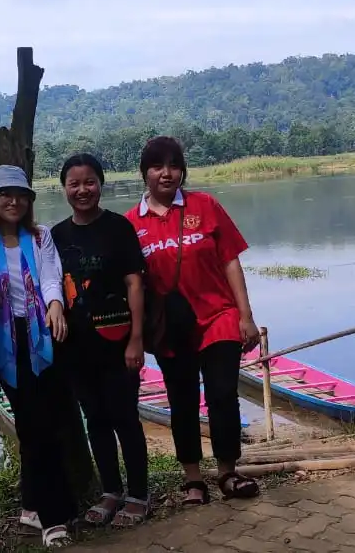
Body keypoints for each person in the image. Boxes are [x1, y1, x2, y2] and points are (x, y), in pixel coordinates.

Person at [124, 136, 263, 506]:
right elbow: (131, 283)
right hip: (171, 327)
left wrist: (246, 316)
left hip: (220, 317)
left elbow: (230, 260)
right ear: (144, 173)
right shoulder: (131, 223)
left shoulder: (205, 205)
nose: (166, 173)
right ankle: (193, 479)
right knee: (182, 400)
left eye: (174, 165)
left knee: (222, 394)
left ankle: (228, 472)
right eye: (157, 166)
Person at [0, 164, 76, 548]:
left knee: (45, 425)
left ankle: (34, 506)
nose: (13, 201)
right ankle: (53, 517)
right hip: (5, 344)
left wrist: (55, 304)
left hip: (44, 336)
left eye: (20, 195)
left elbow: (50, 275)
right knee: (35, 427)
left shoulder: (40, 236)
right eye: (4, 195)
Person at [50, 153, 151, 528]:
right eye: (74, 184)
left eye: (89, 182)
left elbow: (134, 283)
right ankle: (111, 491)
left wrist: (136, 339)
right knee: (95, 420)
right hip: (76, 349)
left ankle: (139, 494)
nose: (82, 190)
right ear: (64, 188)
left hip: (118, 344)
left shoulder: (118, 228)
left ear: (101, 184)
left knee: (125, 418)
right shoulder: (56, 236)